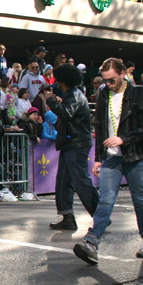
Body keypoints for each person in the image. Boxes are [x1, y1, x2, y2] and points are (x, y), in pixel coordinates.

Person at [73, 58, 143, 265]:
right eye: (105, 81)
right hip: (112, 156)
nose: (108, 84)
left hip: (135, 155)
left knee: (140, 199)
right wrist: (98, 158)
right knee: (106, 199)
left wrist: (124, 138)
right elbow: (100, 127)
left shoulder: (138, 93)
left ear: (122, 74)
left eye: (111, 80)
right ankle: (91, 243)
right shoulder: (104, 94)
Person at [42, 63, 99, 231]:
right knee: (63, 181)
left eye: (58, 79)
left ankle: (100, 216)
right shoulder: (73, 94)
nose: (56, 82)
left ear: (63, 80)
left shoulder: (74, 95)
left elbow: (66, 113)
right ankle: (67, 216)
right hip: (72, 142)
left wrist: (50, 100)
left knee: (80, 180)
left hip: (76, 143)